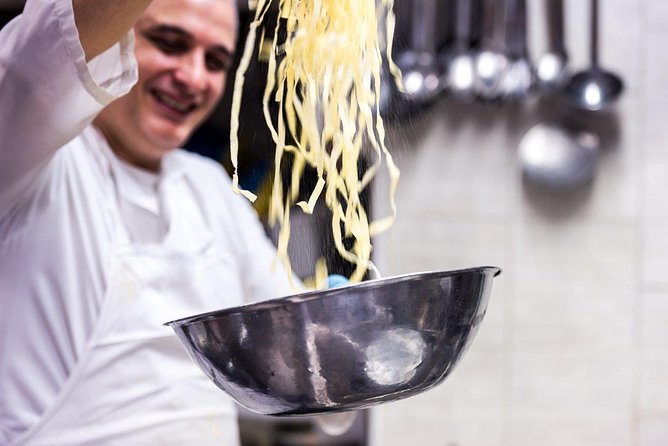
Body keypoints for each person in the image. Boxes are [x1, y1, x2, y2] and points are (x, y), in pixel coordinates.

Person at [0, 0, 300, 444]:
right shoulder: (24, 151)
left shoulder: (210, 188)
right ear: (115, 38)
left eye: (215, 61)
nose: (194, 77)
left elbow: (297, 349)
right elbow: (42, 54)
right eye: (169, 42)